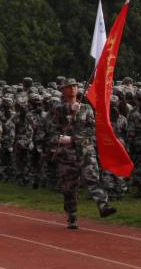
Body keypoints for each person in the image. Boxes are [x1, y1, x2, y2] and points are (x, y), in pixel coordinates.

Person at [48, 79, 116, 229]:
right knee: (69, 187)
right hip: (67, 154)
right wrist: (59, 139)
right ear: (62, 90)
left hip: (85, 151)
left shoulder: (86, 108)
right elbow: (51, 130)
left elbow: (91, 129)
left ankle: (103, 206)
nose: (72, 89)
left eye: (74, 86)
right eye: (68, 87)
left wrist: (74, 138)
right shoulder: (57, 109)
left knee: (93, 178)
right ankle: (72, 216)